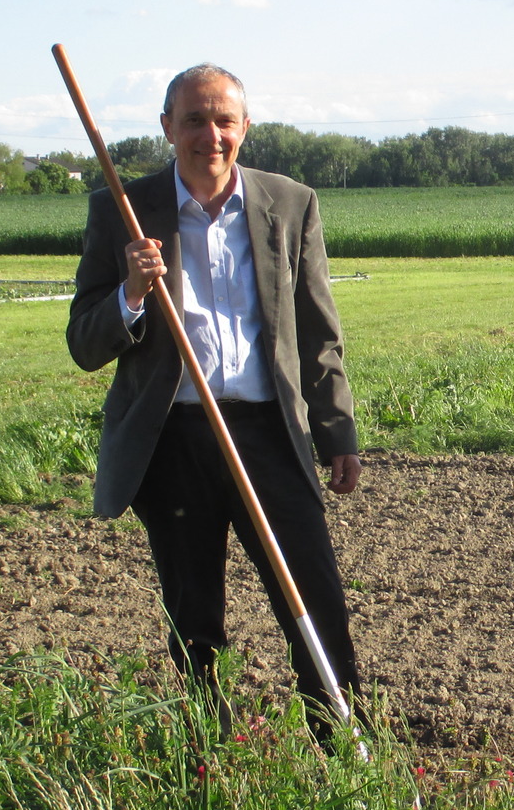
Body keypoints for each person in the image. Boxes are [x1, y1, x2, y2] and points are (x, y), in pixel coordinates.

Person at [67, 63, 364, 728]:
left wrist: (336, 431)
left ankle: (345, 749)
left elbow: (317, 331)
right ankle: (206, 762)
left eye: (224, 119)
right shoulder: (122, 209)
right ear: (168, 128)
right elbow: (85, 343)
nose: (211, 134)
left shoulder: (289, 203)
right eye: (195, 120)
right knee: (195, 618)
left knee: (316, 601)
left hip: (267, 434)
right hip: (173, 440)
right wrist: (133, 295)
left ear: (245, 128)